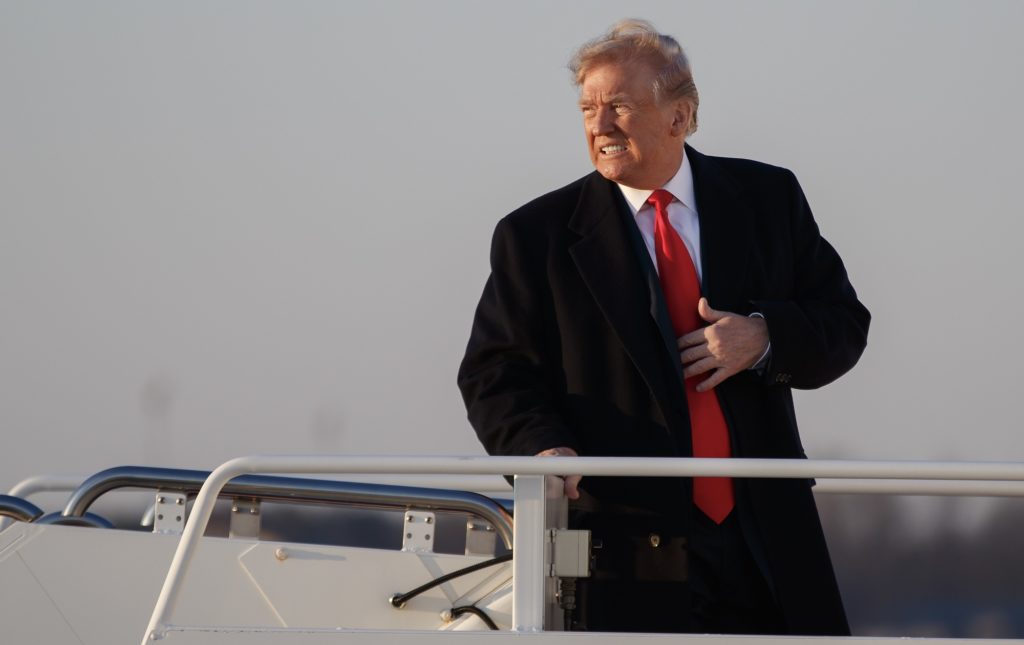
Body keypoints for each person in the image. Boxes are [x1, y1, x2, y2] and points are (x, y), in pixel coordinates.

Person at [457, 19, 869, 635]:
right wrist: (540, 448)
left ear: (680, 116)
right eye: (588, 109)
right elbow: (495, 372)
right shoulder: (533, 235)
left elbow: (843, 324)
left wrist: (764, 338)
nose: (599, 126)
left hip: (767, 539)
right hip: (623, 545)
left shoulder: (768, 197)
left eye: (618, 106)